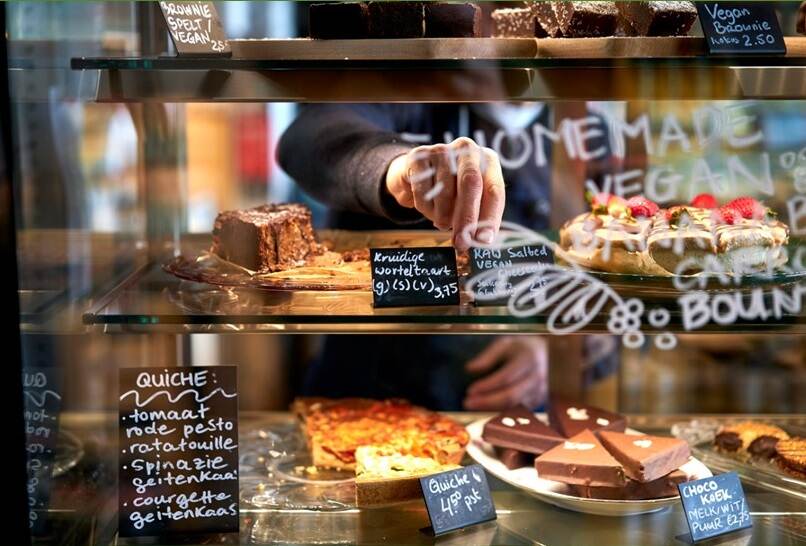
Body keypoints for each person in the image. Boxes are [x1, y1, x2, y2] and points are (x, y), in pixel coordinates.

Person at [278, 103, 613, 411]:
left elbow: (627, 294)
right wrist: (397, 167)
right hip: (362, 402)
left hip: (502, 423)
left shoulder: (587, 129)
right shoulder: (409, 93)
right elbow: (304, 140)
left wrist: (555, 350)